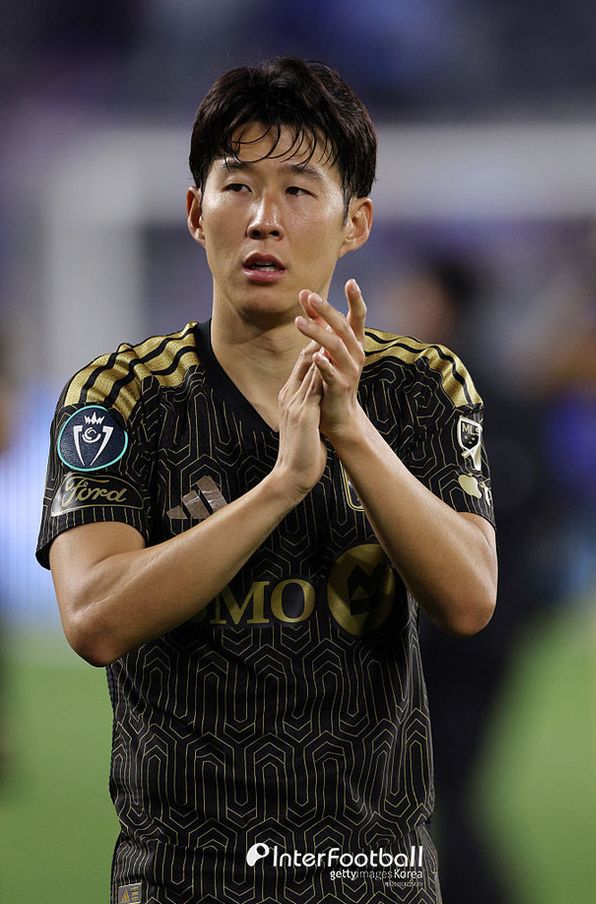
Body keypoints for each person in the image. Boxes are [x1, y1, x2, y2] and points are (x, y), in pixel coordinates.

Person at [36, 57, 497, 904]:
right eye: (238, 186)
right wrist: (280, 486)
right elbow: (94, 618)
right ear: (195, 212)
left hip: (374, 879)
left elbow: (469, 599)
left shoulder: (420, 386)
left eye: (298, 190)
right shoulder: (120, 398)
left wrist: (349, 430)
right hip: (184, 879)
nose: (263, 219)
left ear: (356, 222)